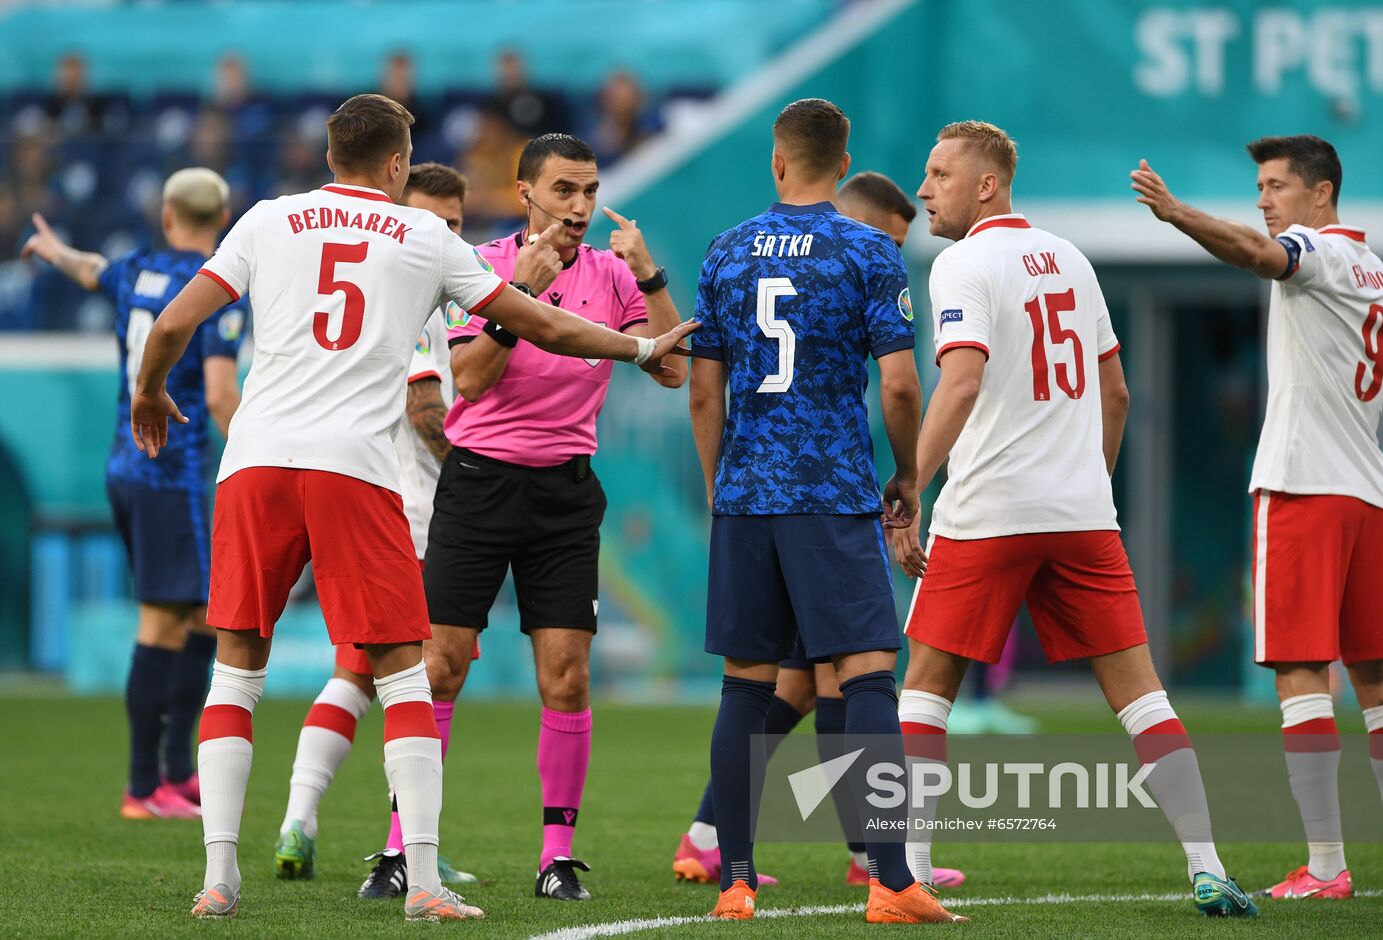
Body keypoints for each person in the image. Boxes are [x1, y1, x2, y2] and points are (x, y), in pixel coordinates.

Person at [127, 93, 694, 922]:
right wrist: (641, 345)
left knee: (235, 670)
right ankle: (421, 881)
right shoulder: (428, 236)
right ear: (398, 164)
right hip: (356, 469)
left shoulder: (267, 219)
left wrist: (149, 392)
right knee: (401, 676)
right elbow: (548, 329)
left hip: (255, 462)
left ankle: (219, 878)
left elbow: (174, 323)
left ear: (329, 156)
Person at [888, 120, 1255, 918]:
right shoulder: (1073, 260)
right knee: (1143, 697)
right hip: (1083, 511)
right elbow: (1115, 393)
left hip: (988, 507)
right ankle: (1208, 863)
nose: (925, 190)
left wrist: (909, 483)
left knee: (924, 688)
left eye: (940, 174)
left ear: (987, 184)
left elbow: (959, 384)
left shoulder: (962, 262)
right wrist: (1088, 481)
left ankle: (906, 874)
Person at [690, 98, 961, 924]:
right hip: (831, 491)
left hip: (746, 497)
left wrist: (719, 484)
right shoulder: (867, 251)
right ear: (842, 168)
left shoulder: (726, 250)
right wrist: (908, 476)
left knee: (745, 686)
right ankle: (890, 879)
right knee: (868, 669)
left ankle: (733, 880)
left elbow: (706, 391)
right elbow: (904, 383)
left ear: (777, 163)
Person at [399, 132, 686, 903]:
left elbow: (671, 367)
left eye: (590, 191)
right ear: (525, 192)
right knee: (439, 669)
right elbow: (471, 380)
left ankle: (557, 857)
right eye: (564, 190)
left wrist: (648, 271)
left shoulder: (610, 274)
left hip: (564, 494)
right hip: (478, 485)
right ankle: (403, 848)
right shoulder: (485, 267)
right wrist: (517, 295)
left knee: (566, 677)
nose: (580, 207)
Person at [1132, 134, 1383, 900]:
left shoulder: (1311, 249)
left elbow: (1258, 254)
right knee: (1381, 681)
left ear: (1322, 194)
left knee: (1301, 672)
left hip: (1304, 487)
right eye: (1259, 185)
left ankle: (1324, 867)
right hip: (1364, 493)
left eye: (1277, 184)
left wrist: (1178, 213)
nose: (1263, 199)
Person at [270, 163, 475, 895]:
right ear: (400, 209)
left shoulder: (402, 285)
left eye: (457, 222)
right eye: (435, 219)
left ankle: (301, 819)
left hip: (356, 497)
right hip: (410, 515)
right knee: (411, 678)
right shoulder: (415, 296)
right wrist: (476, 479)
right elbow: (427, 414)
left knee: (356, 670)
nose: (447, 233)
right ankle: (410, 849)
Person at [22, 168, 245, 820]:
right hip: (169, 471)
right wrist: (273, 458)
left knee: (199, 616)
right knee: (164, 622)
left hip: (124, 467)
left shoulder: (137, 269)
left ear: (168, 215)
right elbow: (223, 393)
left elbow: (93, 269)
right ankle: (144, 788)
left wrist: (52, 251)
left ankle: (177, 773)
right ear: (222, 216)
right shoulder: (216, 287)